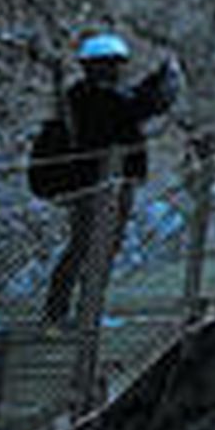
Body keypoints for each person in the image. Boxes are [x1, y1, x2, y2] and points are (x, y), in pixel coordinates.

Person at [42, 33, 180, 325]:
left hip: (106, 182)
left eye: (117, 64)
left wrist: (157, 80)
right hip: (100, 184)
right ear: (95, 66)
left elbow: (134, 103)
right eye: (111, 64)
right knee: (93, 247)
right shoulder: (94, 97)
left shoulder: (86, 95)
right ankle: (76, 314)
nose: (116, 70)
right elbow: (141, 106)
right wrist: (164, 78)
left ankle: (70, 312)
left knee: (89, 246)